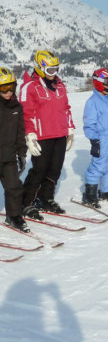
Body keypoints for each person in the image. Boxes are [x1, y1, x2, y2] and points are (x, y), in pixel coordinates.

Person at [19, 50, 75, 220]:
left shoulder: (60, 85)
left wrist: (70, 128)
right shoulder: (29, 87)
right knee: (39, 170)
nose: (54, 73)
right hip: (41, 136)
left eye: (56, 69)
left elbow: (66, 108)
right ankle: (27, 203)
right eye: (50, 70)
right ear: (40, 68)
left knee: (55, 169)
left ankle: (46, 198)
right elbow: (25, 114)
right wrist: (29, 135)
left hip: (59, 133)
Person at [82, 68, 108, 208]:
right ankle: (90, 193)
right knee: (98, 165)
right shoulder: (92, 102)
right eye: (107, 82)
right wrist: (94, 140)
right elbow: (89, 125)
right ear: (98, 83)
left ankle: (106, 190)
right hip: (102, 138)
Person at [0, 68, 29, 232]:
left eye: (12, 86)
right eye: (4, 88)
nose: (8, 91)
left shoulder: (17, 106)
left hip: (9, 156)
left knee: (14, 188)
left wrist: (21, 155)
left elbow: (20, 132)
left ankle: (14, 216)